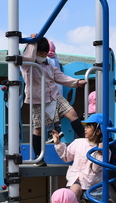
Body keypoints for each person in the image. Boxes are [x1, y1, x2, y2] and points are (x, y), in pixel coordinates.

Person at [22, 35, 88, 166]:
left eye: (45, 53)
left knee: (73, 114)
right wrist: (32, 43)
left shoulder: (48, 66)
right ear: (35, 52)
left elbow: (60, 77)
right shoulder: (28, 65)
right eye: (40, 53)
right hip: (38, 100)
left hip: (54, 96)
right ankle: (38, 157)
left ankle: (87, 143)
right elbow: (28, 56)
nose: (43, 56)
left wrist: (76, 82)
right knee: (39, 129)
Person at [51, 113, 108, 203]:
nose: (85, 129)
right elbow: (67, 157)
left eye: (89, 127)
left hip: (93, 183)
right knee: (72, 192)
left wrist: (99, 152)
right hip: (75, 179)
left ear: (99, 130)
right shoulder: (78, 142)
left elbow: (96, 168)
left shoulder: (105, 149)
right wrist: (58, 143)